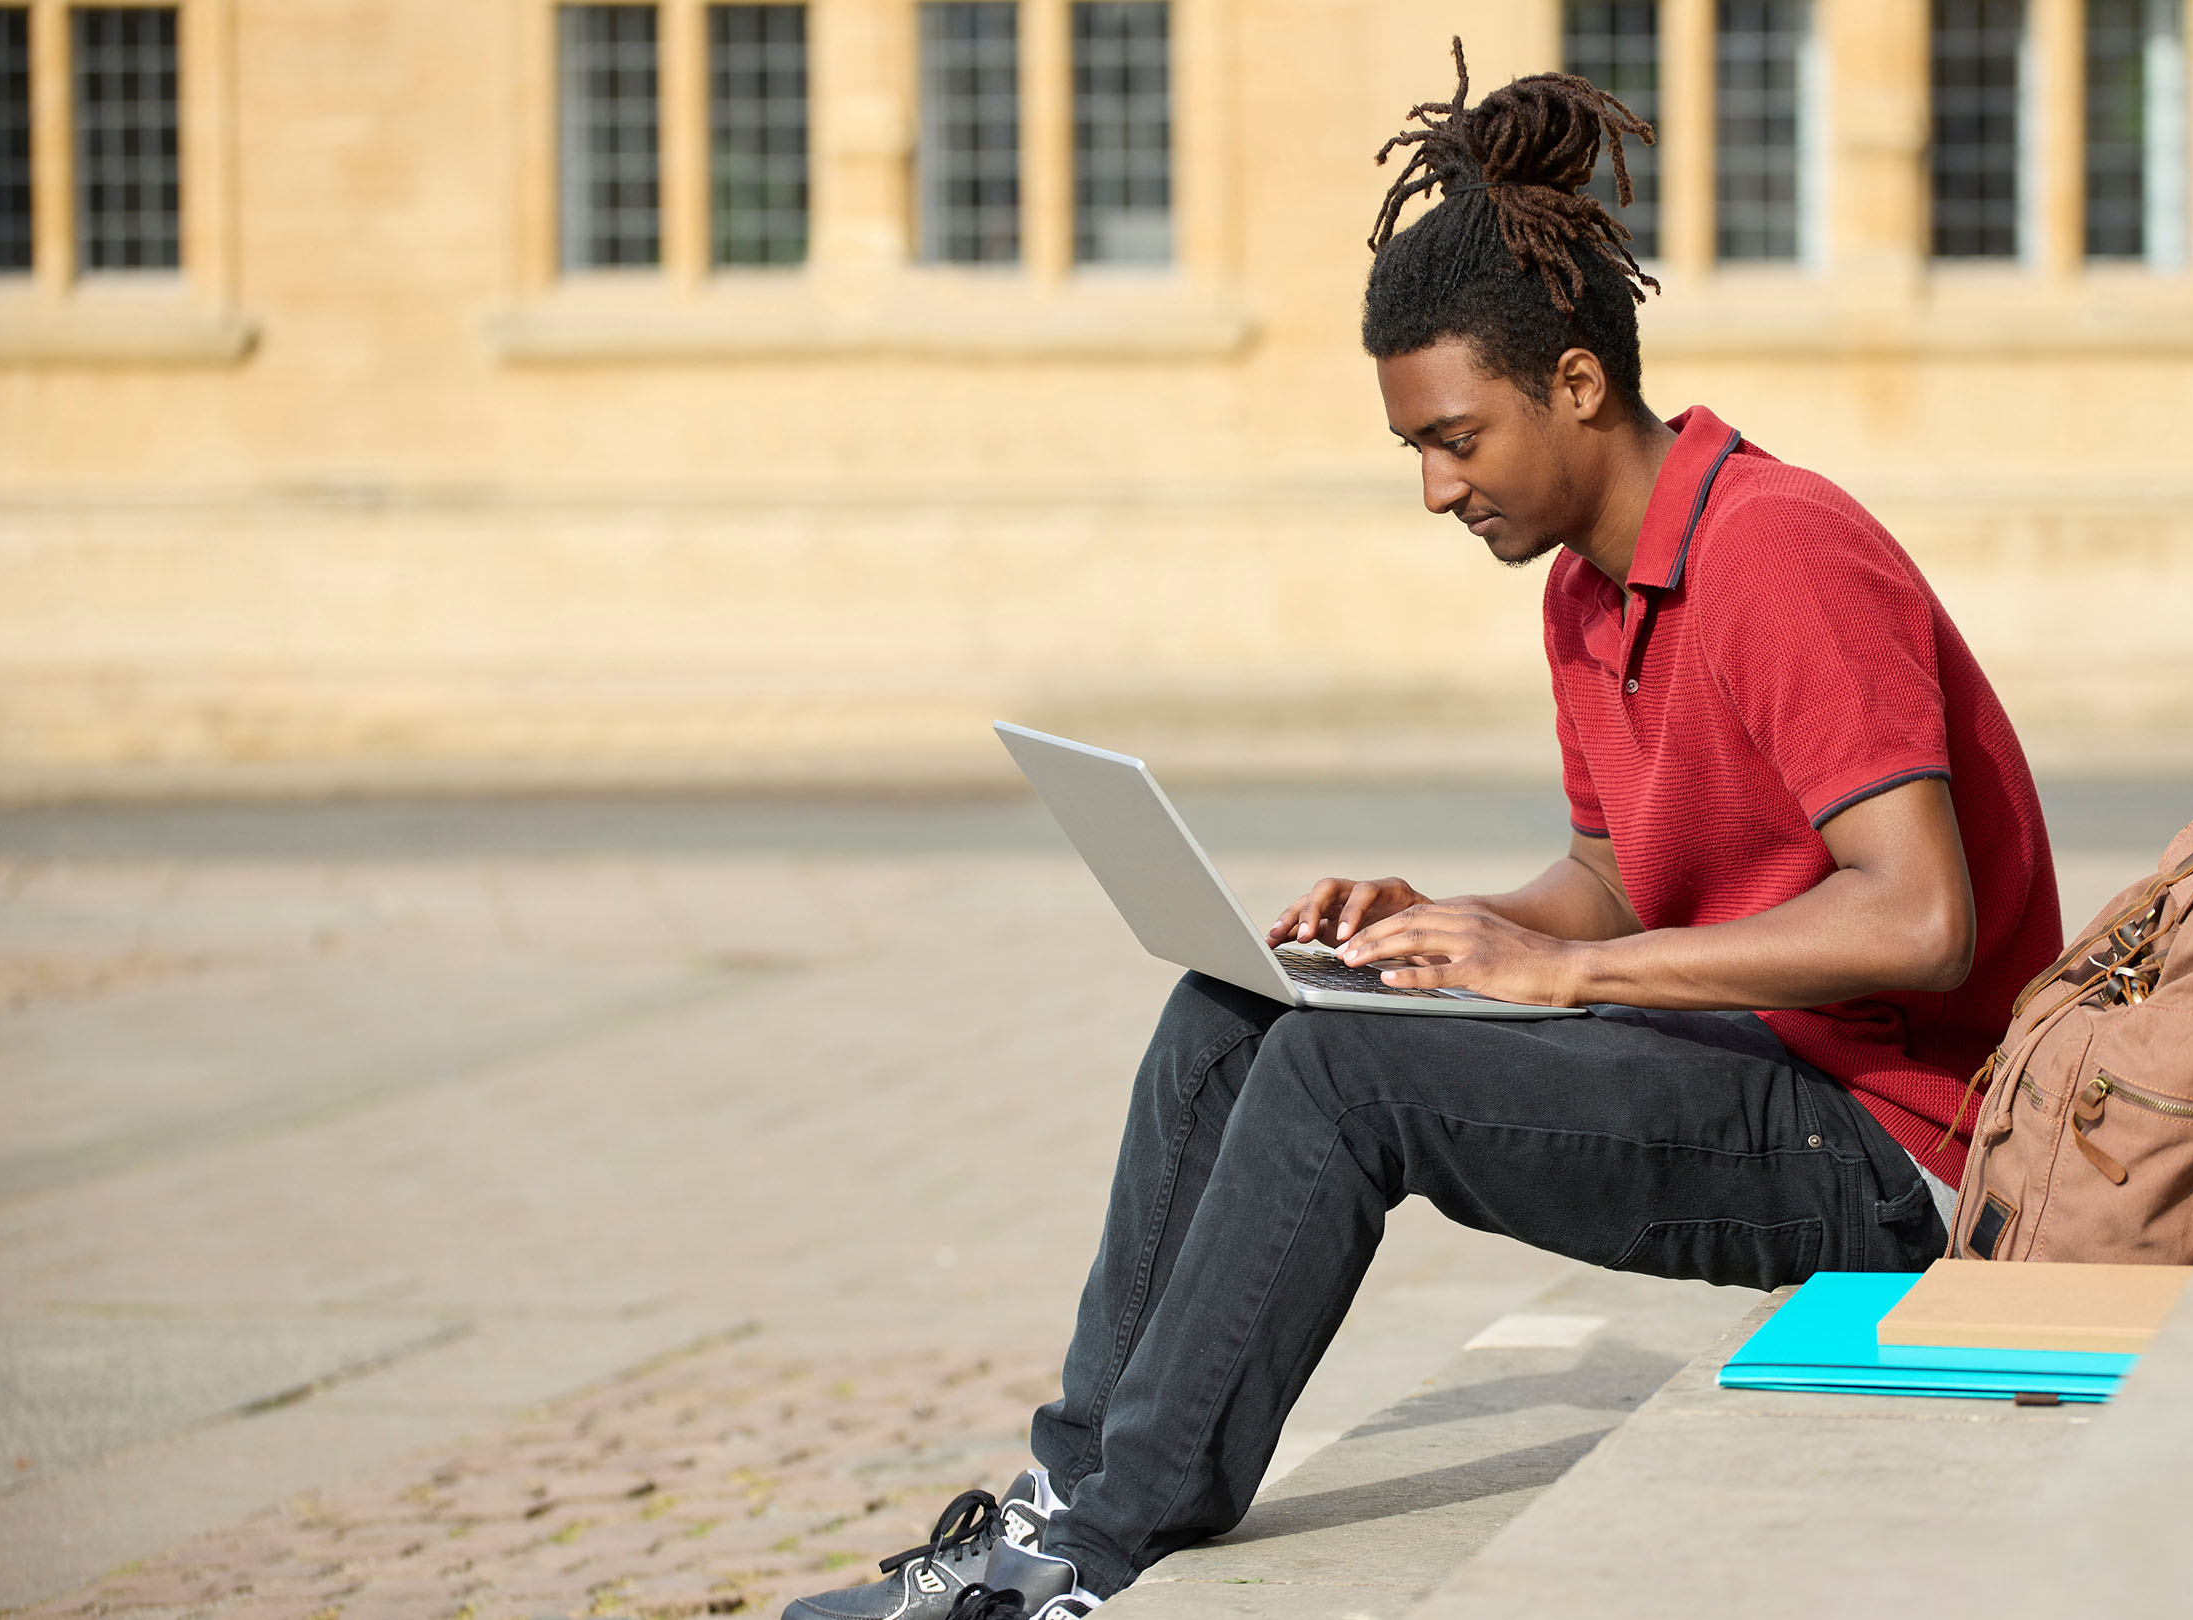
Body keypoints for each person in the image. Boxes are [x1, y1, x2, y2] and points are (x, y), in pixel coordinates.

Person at [782, 41, 2061, 1620]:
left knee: (1340, 1077)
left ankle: (1089, 1564)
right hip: (1756, 1062)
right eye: (1416, 452)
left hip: (1901, 1147)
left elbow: (1917, 917)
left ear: (1578, 385)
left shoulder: (1779, 551)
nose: (1439, 490)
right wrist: (1448, 928)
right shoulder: (1591, 593)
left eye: (1457, 438)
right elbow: (1610, 874)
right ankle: (1068, 1484)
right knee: (1245, 1010)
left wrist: (1560, 980)